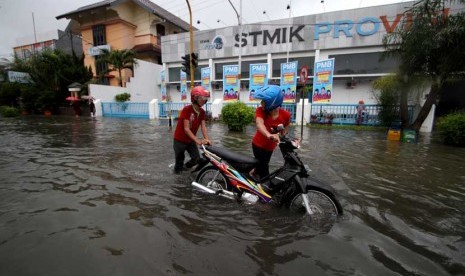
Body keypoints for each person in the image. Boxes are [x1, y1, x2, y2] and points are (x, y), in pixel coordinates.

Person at [252, 85, 291, 179]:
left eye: (264, 101)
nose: (261, 103)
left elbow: (285, 129)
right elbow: (259, 124)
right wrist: (269, 134)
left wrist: (281, 134)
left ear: (272, 102)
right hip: (258, 145)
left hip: (270, 147)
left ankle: (252, 172)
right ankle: (264, 187)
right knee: (264, 168)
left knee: (262, 164)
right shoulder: (260, 111)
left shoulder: (286, 115)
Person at [173, 86, 212, 174]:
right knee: (179, 162)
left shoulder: (202, 112)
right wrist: (198, 141)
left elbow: (203, 127)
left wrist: (206, 139)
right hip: (179, 140)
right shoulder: (186, 110)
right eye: (202, 98)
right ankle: (178, 177)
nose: (204, 100)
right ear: (195, 98)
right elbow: (186, 129)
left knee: (196, 158)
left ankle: (185, 168)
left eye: (205, 98)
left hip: (190, 140)